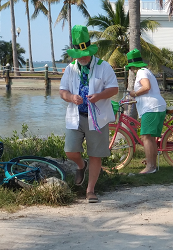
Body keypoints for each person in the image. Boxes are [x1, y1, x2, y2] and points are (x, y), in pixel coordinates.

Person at [59, 25, 119, 203]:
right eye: (79, 55)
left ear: (90, 51)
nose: (83, 58)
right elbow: (62, 91)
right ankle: (81, 165)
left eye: (85, 54)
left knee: (95, 154)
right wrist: (71, 97)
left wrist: (99, 96)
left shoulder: (103, 66)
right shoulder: (70, 68)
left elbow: (114, 88)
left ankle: (90, 190)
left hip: (98, 119)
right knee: (70, 150)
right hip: (76, 117)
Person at [126, 48, 167, 174]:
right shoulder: (146, 71)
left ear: (133, 66)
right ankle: (152, 164)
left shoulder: (141, 72)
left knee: (145, 137)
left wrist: (134, 93)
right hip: (156, 106)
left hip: (151, 108)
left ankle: (150, 167)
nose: (131, 70)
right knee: (150, 138)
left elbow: (146, 87)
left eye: (130, 67)